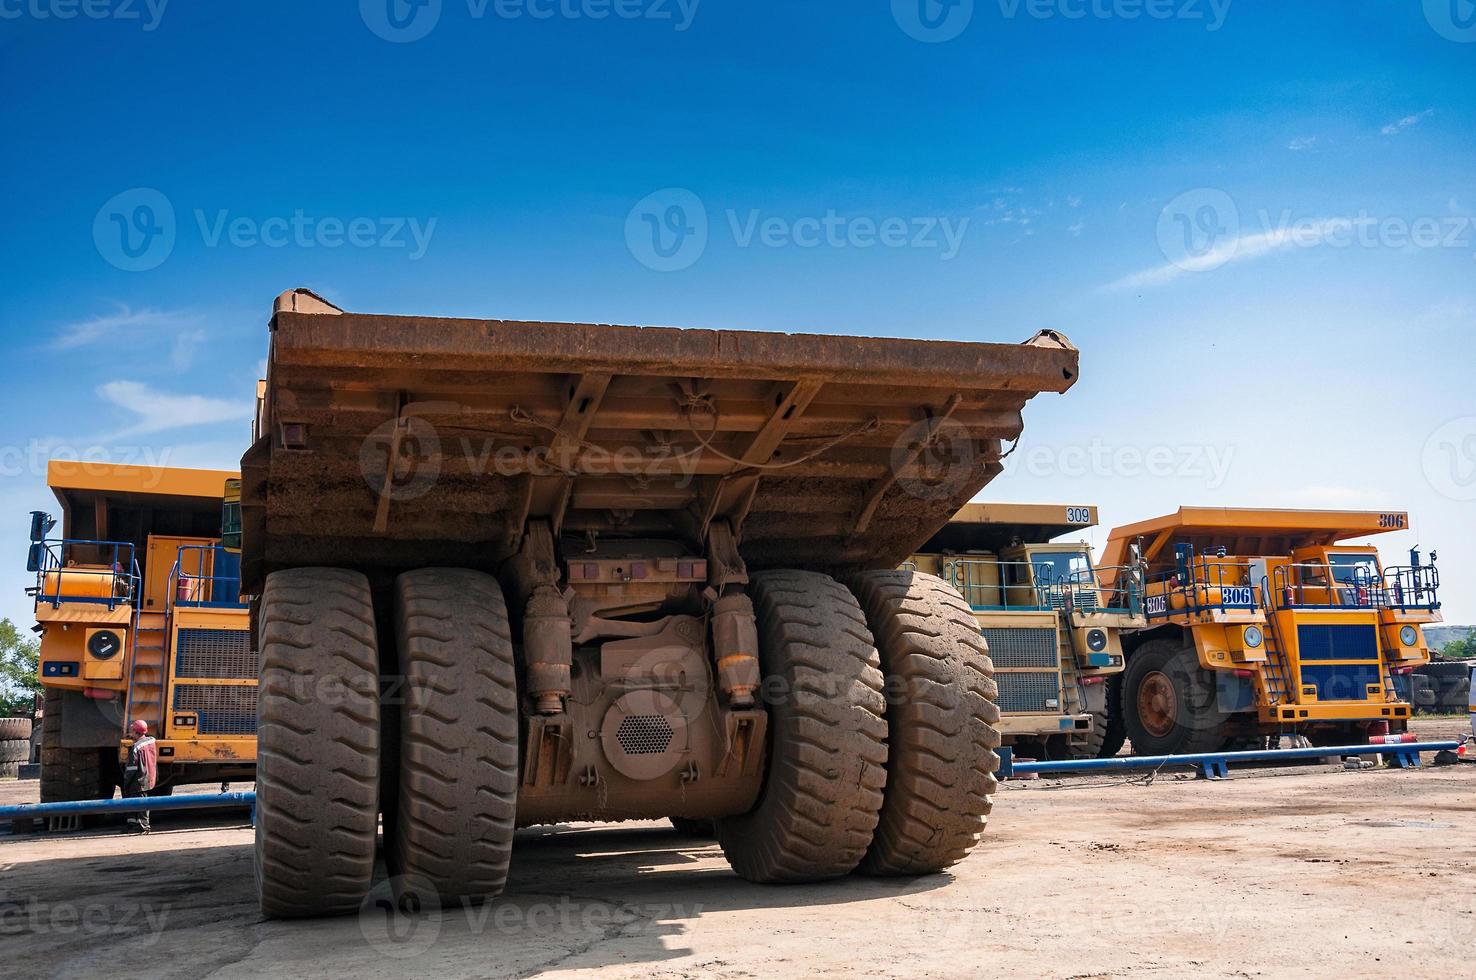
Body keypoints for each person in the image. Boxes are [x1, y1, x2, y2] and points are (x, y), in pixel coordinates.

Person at [122, 720, 158, 833]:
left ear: (136, 732)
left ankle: (144, 826)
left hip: (138, 780)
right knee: (139, 801)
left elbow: (131, 769)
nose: (130, 733)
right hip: (148, 776)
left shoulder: (136, 748)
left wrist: (126, 782)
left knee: (139, 802)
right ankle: (133, 825)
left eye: (132, 731)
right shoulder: (151, 741)